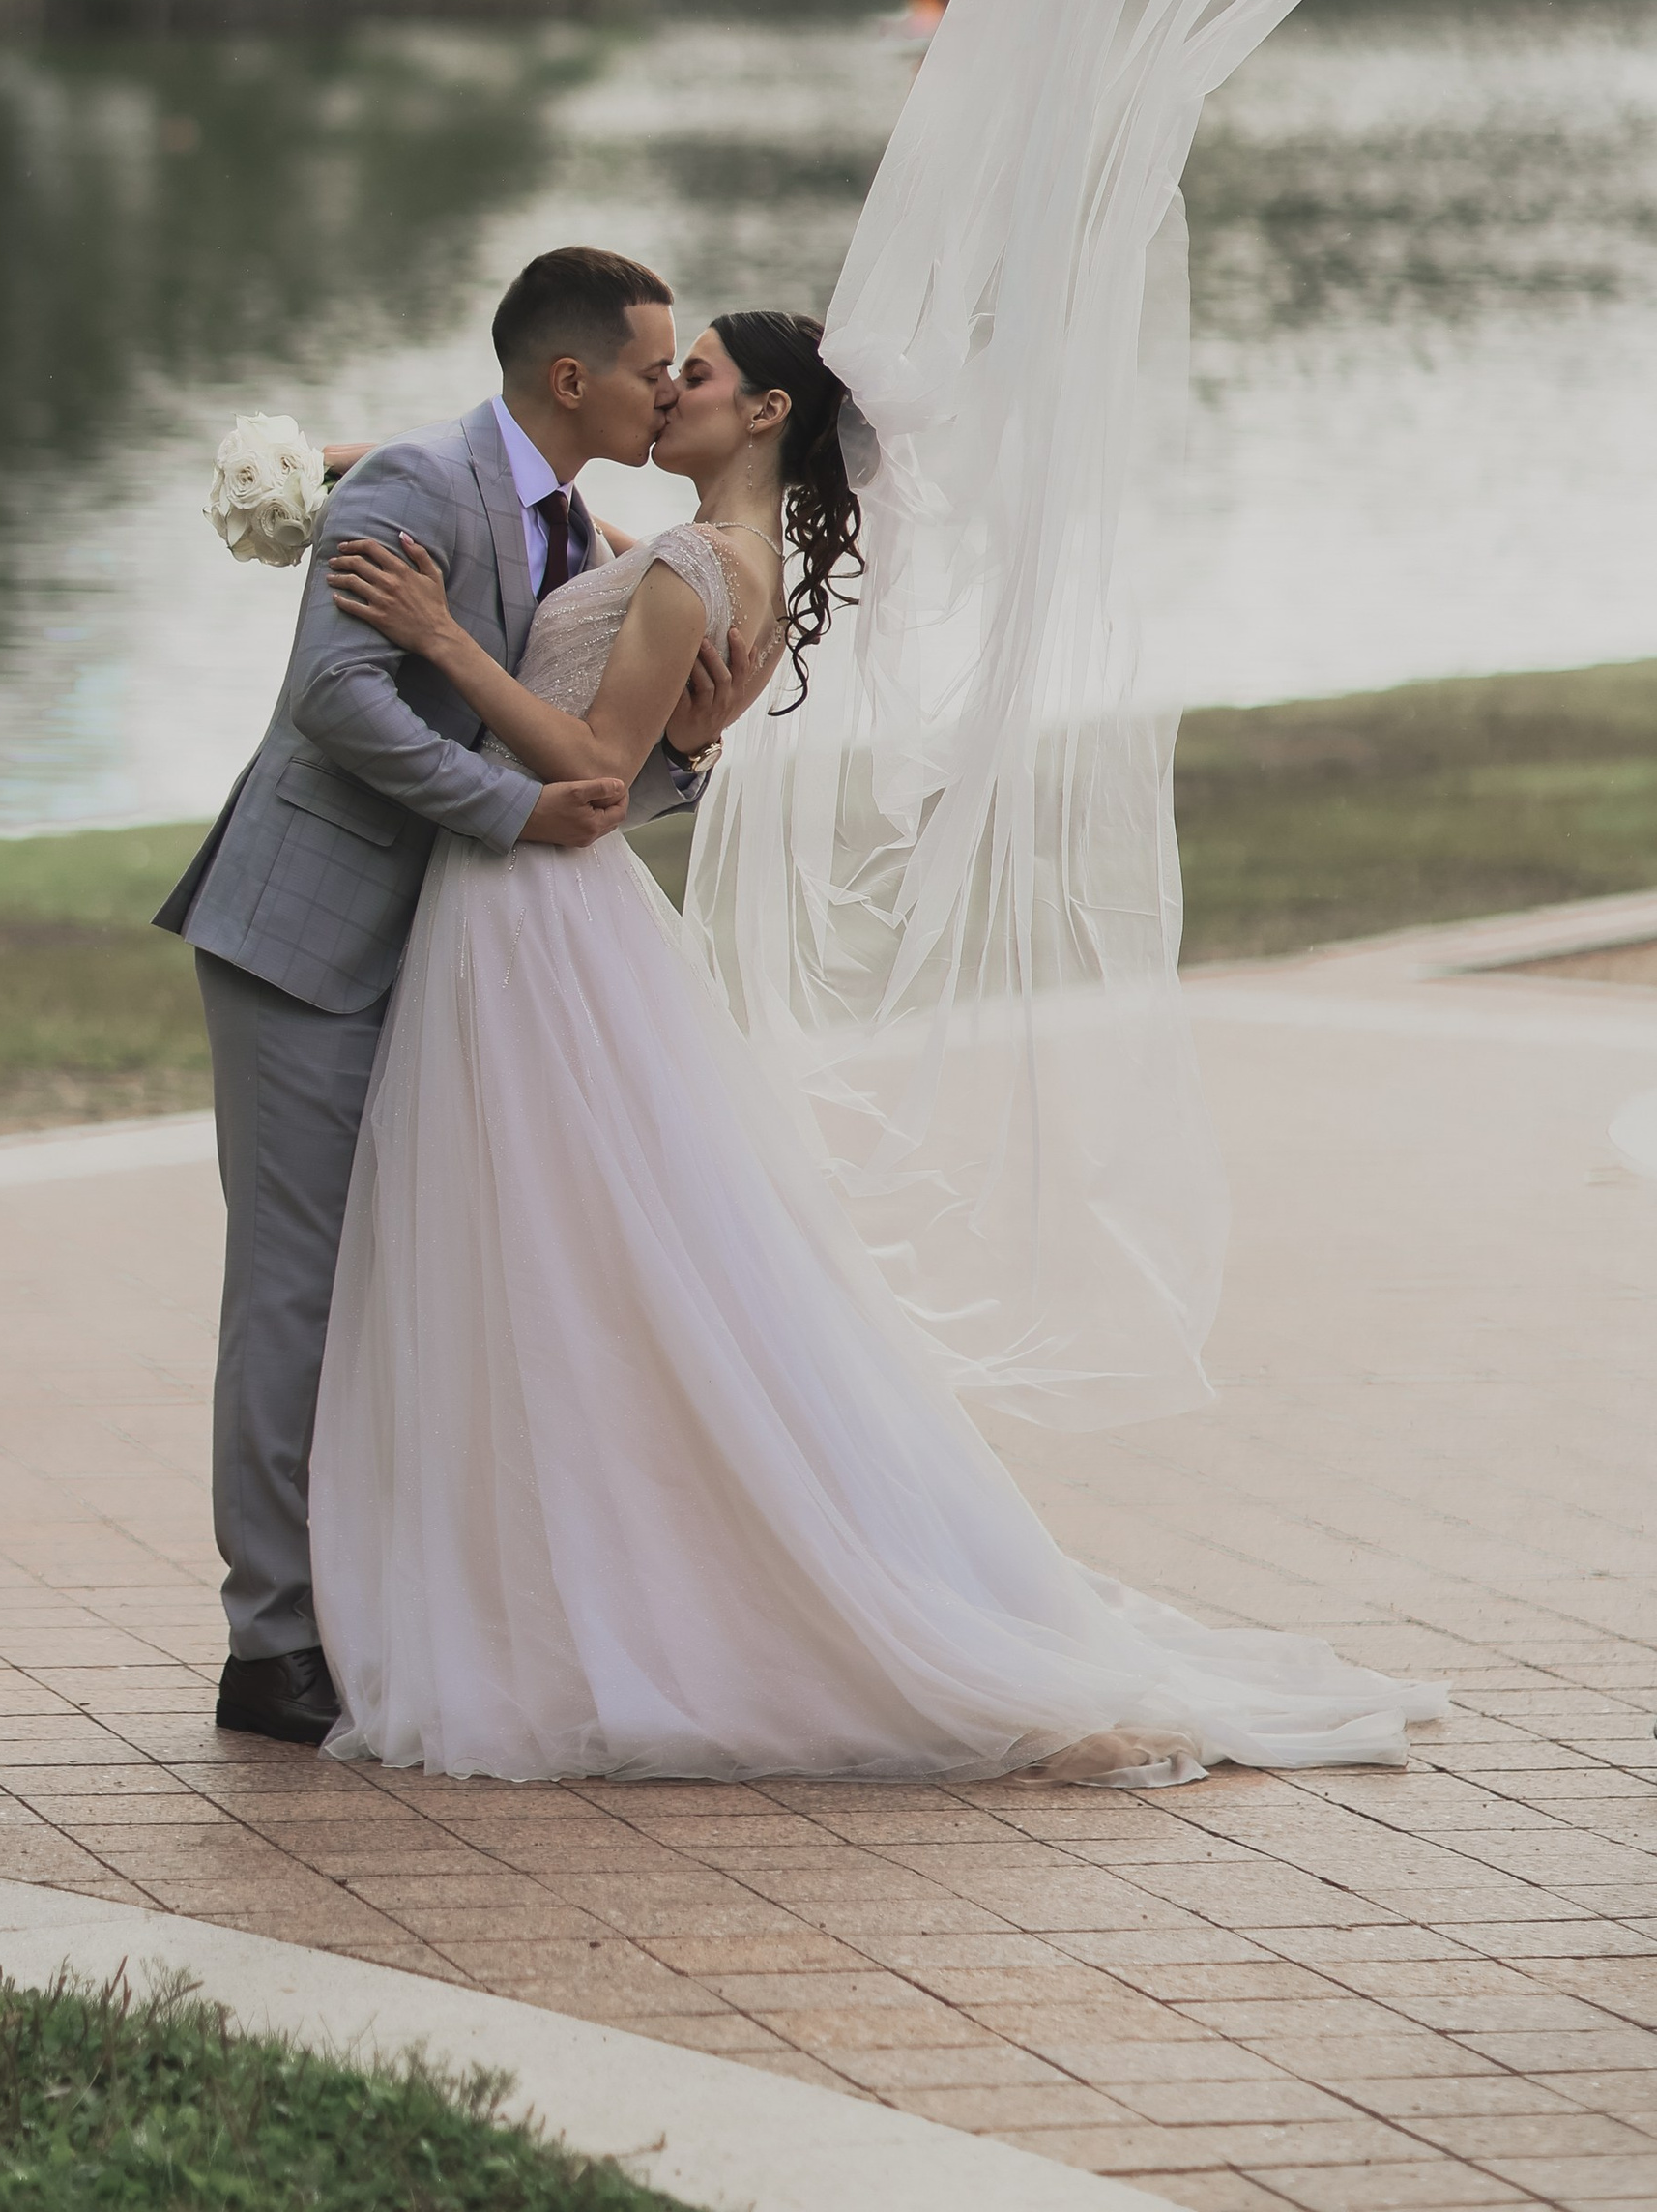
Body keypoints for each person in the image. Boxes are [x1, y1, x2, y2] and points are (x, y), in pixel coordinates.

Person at [308, 311, 1447, 1783]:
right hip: (532, 917)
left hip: (534, 913)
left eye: (695, 374)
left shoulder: (699, 569)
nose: (666, 391)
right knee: (574, 1255)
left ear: (766, 411)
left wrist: (442, 639)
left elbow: (593, 765)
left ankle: (628, 1592)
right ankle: (562, 1569)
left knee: (566, 1254)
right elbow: (572, 571)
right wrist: (348, 473)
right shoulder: (702, 558)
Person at [155, 246, 768, 1749]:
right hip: (309, 942)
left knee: (415, 1290)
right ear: (571, 378)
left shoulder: (575, 527)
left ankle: (382, 1604)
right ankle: (271, 1644)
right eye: (652, 368)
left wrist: (675, 753)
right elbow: (336, 698)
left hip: (455, 964)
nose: (667, 390)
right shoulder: (422, 486)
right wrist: (510, 813)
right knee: (297, 1293)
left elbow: (582, 754)